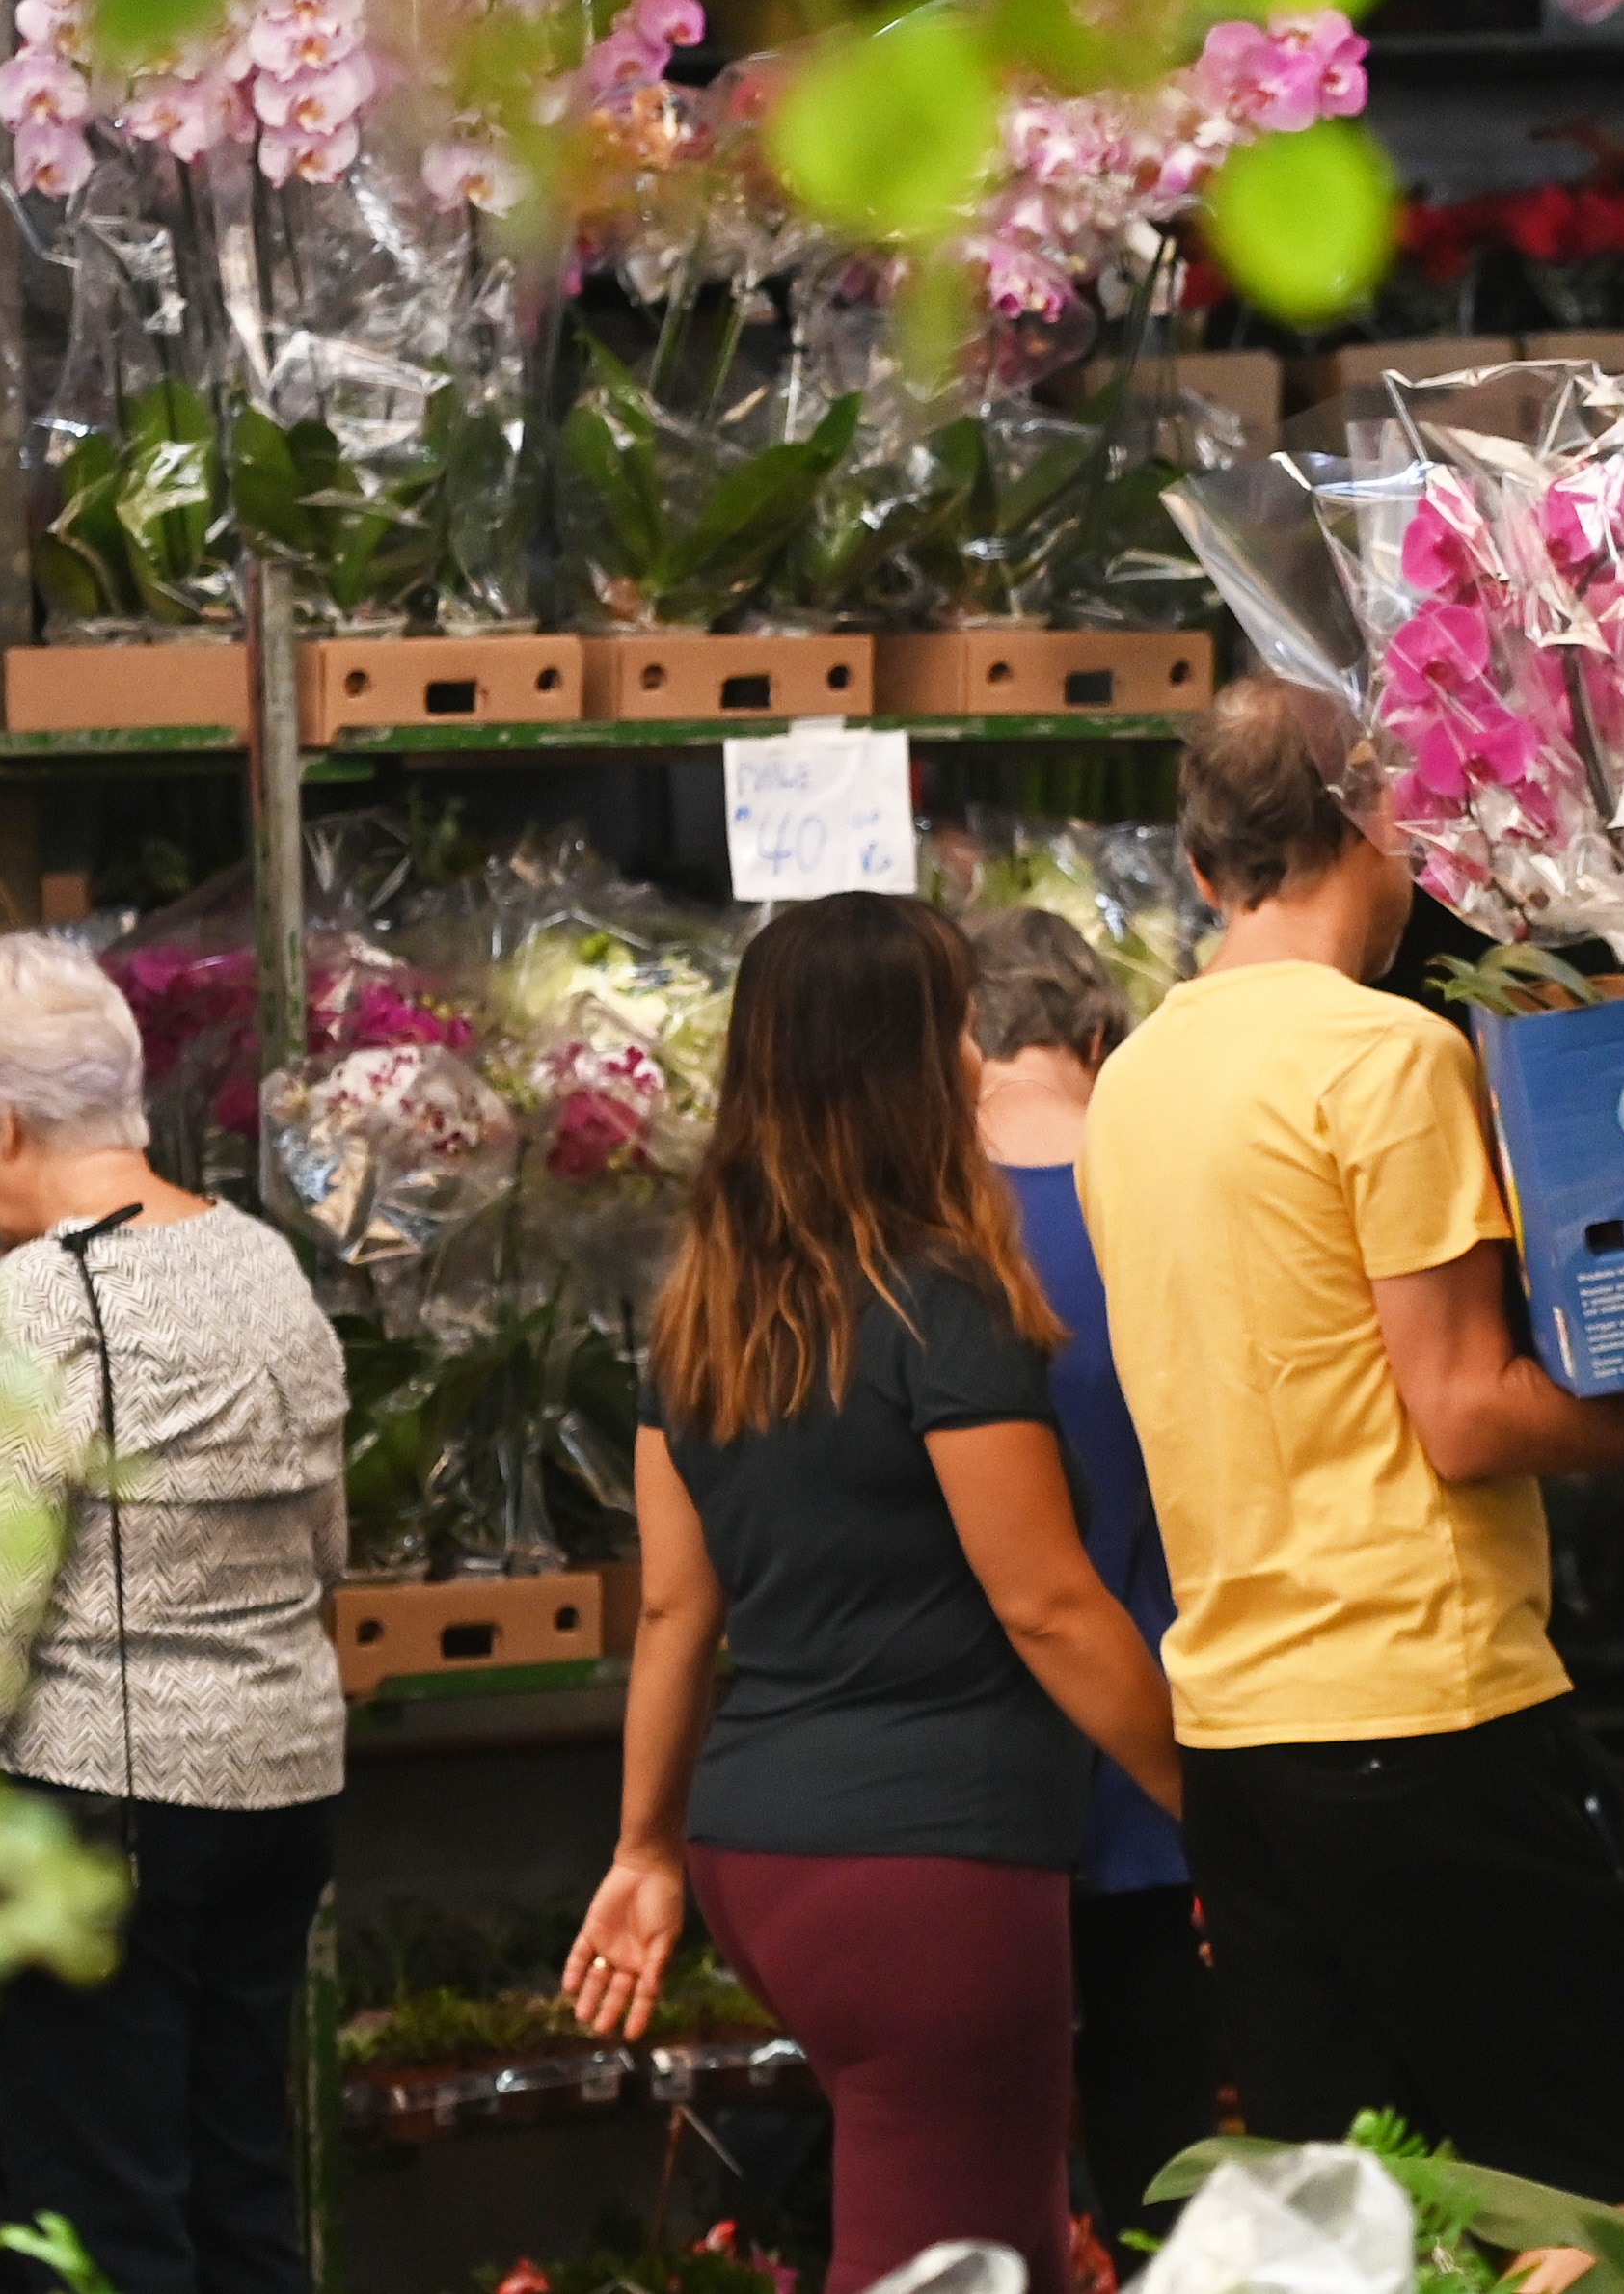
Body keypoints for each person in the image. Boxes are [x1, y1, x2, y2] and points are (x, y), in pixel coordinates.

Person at [1075, 681, 1624, 2213]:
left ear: (1199, 868)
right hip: (1429, 1708)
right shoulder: (1381, 1058)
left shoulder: (1133, 1079)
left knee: (1362, 2226)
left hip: (1242, 1735)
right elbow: (1463, 1407)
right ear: (1378, 820)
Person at [563, 893, 1182, 2294]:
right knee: (953, 2264)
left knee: (999, 2248)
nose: (978, 1056)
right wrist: (1217, 1804)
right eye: (957, 1025)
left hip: (761, 1854)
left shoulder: (705, 1301)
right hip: (933, 1872)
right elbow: (1047, 1603)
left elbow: (673, 1610)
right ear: (906, 1062)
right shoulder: (943, 1298)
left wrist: (647, 1851)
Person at [0, 932, 352, 2294]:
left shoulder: (51, 1287)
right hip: (280, 1798)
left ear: (2, 1124)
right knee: (242, 2200)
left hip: (112, 1819)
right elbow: (327, 1543)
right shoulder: (264, 1260)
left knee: (104, 2224)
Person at [964, 908, 1224, 2266]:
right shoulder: (1170, 1196)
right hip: (1171, 1748)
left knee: (975, 2177)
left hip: (974, 1779)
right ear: (1097, 1040)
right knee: (1163, 2159)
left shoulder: (932, 1235)